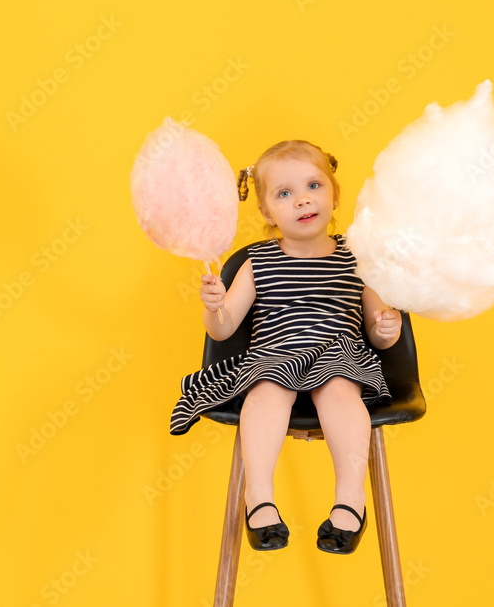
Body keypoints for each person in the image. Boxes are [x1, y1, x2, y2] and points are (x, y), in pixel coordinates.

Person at [168, 140, 401, 554]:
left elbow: (379, 331)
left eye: (314, 185)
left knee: (341, 392)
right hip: (274, 353)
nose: (303, 200)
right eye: (284, 193)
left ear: (334, 194)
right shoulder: (256, 261)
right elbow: (224, 330)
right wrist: (215, 307)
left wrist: (387, 326)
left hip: (338, 352)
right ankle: (259, 497)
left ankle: (350, 500)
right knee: (266, 392)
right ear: (266, 212)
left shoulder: (357, 256)